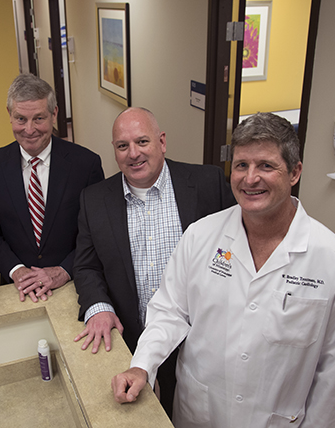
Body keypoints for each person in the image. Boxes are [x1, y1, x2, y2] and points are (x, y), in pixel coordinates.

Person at [112, 112, 335, 428]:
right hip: (199, 413)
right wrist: (142, 366)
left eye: (266, 166)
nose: (250, 178)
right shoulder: (201, 236)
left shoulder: (333, 261)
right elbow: (170, 311)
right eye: (241, 165)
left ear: (295, 172)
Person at [73, 107, 235, 416]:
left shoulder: (206, 183)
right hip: (130, 338)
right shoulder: (93, 200)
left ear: (161, 141)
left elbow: (236, 245)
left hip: (198, 338)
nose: (133, 154)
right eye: (122, 146)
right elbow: (86, 266)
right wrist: (99, 308)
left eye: (142, 142)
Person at [0, 74, 104, 303]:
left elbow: (98, 232)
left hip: (74, 285)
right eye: (20, 119)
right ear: (9, 114)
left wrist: (64, 270)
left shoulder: (86, 164)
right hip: (19, 291)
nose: (29, 129)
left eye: (38, 118)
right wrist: (16, 270)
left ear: (54, 114)